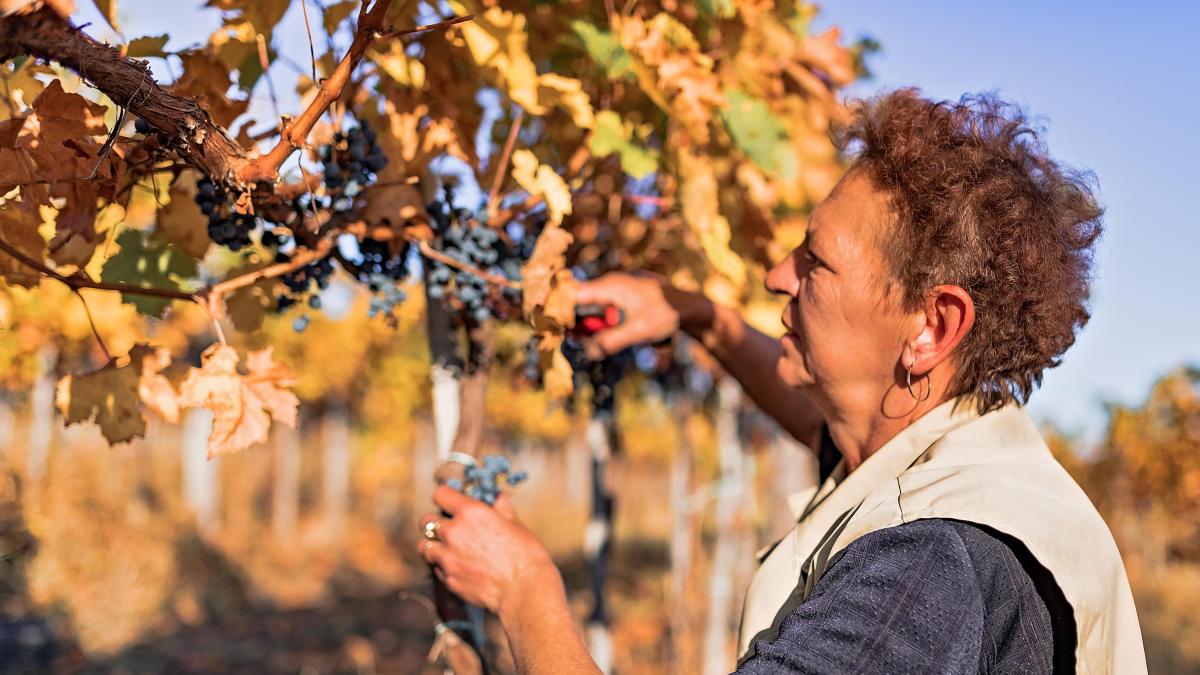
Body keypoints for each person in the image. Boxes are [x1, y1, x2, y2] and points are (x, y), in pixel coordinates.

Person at [417, 89, 1147, 674]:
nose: (774, 276)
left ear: (933, 326)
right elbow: (825, 427)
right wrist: (695, 315)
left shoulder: (928, 569)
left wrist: (524, 591)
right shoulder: (952, 453)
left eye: (814, 262)